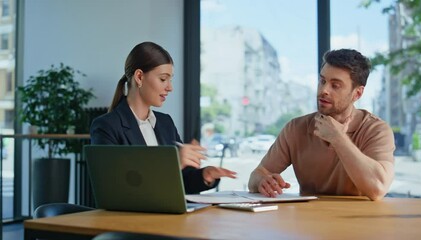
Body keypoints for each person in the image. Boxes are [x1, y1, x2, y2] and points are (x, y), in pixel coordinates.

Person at [248, 49, 395, 201]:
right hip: (310, 221)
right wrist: (262, 181)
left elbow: (378, 188)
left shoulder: (376, 130)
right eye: (322, 81)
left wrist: (338, 138)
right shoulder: (296, 128)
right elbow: (257, 174)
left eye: (335, 85)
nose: (324, 90)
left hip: (358, 222)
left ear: (357, 94)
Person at [90, 41, 236, 194]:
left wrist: (205, 176)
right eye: (163, 79)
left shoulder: (165, 123)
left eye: (170, 79)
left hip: (167, 215)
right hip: (130, 217)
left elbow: (181, 181)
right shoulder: (106, 126)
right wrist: (172, 163)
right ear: (139, 77)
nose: (170, 87)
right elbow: (116, 187)